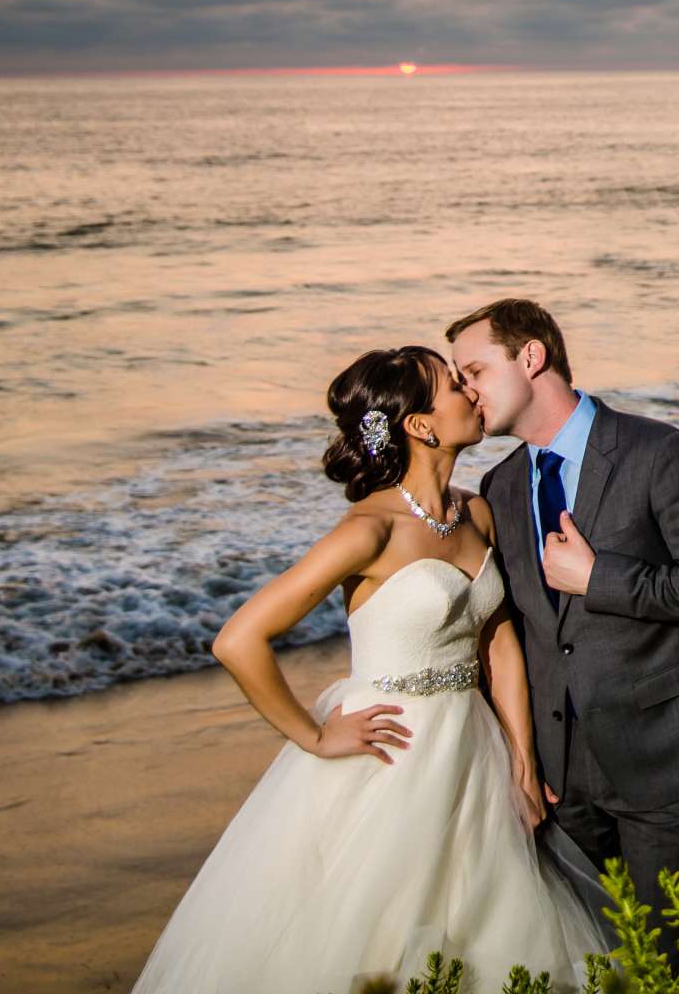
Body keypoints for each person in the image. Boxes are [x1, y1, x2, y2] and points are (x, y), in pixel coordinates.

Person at [131, 346, 611, 993]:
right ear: (420, 425)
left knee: (491, 929)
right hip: (394, 756)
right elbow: (239, 639)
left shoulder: (475, 513)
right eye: (453, 384)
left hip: (474, 750)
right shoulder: (368, 530)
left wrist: (522, 761)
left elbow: (497, 641)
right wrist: (317, 734)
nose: (472, 391)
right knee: (375, 935)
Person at [448, 298, 679, 937]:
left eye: (474, 371)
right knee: (588, 956)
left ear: (531, 356)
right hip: (560, 782)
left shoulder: (656, 451)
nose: (466, 391)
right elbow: (514, 634)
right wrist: (517, 759)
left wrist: (599, 579)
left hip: (663, 759)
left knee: (666, 957)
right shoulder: (501, 488)